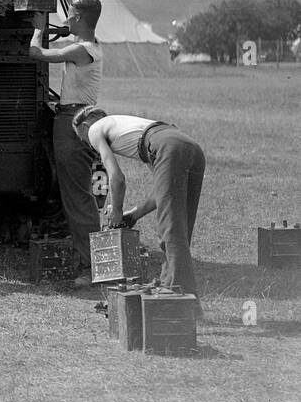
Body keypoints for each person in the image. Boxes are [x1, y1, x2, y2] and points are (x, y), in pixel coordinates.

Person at [72, 106, 206, 294]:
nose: (87, 144)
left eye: (82, 138)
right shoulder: (126, 126)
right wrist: (135, 214)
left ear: (85, 126)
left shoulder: (95, 130)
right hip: (189, 146)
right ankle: (180, 293)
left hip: (167, 146)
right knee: (180, 230)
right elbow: (161, 192)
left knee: (171, 230)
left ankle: (175, 295)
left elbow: (117, 179)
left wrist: (117, 211)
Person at [26, 0, 103, 285]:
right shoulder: (90, 42)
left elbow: (37, 55)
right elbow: (76, 1)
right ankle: (91, 262)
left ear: (80, 19)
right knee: (76, 195)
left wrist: (37, 31)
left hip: (72, 121)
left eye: (70, 15)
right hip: (75, 119)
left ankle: (92, 268)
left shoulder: (80, 50)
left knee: (76, 197)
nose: (66, 17)